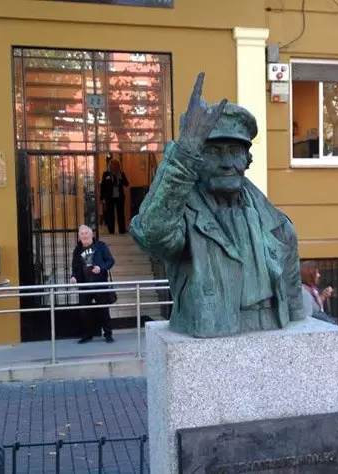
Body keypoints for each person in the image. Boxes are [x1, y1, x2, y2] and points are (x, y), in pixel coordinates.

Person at [130, 73, 305, 338]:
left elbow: (294, 305)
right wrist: (183, 153)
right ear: (195, 159)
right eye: (213, 151)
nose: (226, 163)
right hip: (213, 329)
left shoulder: (278, 225)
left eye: (235, 152)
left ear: (247, 159)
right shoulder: (181, 215)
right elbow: (153, 234)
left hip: (271, 325)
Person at [70, 225, 115, 344]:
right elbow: (75, 267)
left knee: (103, 310)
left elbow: (110, 261)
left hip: (99, 284)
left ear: (91, 234)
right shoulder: (77, 250)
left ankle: (108, 334)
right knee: (84, 311)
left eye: (86, 233)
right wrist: (74, 277)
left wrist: (101, 268)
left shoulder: (100, 246)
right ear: (79, 236)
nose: (84, 235)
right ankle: (87, 335)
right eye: (82, 234)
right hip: (85, 285)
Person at [100, 158, 130, 235]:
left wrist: (121, 177)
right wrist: (101, 198)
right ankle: (111, 231)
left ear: (118, 166)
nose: (114, 167)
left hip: (119, 195)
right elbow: (102, 186)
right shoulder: (106, 174)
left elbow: (127, 184)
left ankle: (122, 230)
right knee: (110, 214)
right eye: (112, 165)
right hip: (109, 196)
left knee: (120, 213)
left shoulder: (121, 173)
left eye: (116, 165)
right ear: (110, 166)